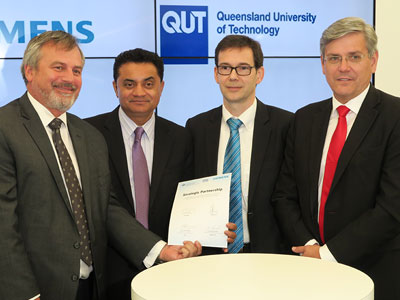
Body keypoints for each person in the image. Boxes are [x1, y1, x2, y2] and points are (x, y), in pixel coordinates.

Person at [0, 31, 201, 300]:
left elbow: (104, 207)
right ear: (29, 71)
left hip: (92, 287)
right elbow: (3, 224)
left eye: (77, 70)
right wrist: (25, 294)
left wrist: (159, 250)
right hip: (36, 289)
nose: (69, 79)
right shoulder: (5, 127)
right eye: (58, 67)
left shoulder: (88, 136)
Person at [85, 48, 235, 299]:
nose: (140, 92)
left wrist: (213, 228)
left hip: (171, 269)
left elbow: (194, 196)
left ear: (162, 87)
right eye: (129, 84)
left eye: (149, 83)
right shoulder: (89, 134)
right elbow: (99, 205)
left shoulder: (182, 137)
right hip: (107, 269)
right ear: (115, 87)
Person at [272, 17, 400, 300]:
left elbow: (392, 208)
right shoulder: (304, 118)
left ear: (374, 61)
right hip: (307, 268)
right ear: (322, 64)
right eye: (334, 58)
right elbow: (284, 195)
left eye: (354, 57)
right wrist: (309, 248)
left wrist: (328, 254)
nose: (343, 67)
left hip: (374, 273)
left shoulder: (395, 117)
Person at [186, 35, 293, 254]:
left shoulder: (287, 125)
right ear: (216, 74)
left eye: (243, 68)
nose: (233, 76)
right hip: (211, 254)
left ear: (259, 74)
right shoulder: (196, 127)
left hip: (271, 256)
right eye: (225, 68)